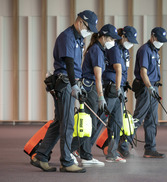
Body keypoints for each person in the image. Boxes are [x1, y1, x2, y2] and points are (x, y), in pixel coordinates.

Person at [30, 10, 98, 173]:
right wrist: (74, 85)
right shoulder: (67, 36)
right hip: (65, 82)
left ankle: (41, 156)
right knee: (68, 122)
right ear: (80, 22)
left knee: (60, 121)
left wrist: (78, 83)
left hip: (70, 81)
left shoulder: (79, 38)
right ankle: (66, 161)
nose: (89, 32)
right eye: (88, 28)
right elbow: (68, 63)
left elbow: (75, 64)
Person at [70, 24, 123, 166]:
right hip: (91, 88)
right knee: (89, 124)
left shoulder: (98, 49)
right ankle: (72, 150)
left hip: (91, 88)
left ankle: (85, 155)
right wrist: (101, 96)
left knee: (90, 124)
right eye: (111, 38)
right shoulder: (97, 51)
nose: (113, 41)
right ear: (104, 37)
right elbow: (98, 77)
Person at [129, 27, 167, 158]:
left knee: (152, 120)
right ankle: (122, 146)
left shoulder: (155, 51)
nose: (161, 42)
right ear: (152, 37)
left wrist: (154, 88)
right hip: (146, 88)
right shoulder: (145, 50)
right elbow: (143, 72)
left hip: (153, 88)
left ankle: (150, 149)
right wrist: (149, 87)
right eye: (159, 39)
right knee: (138, 118)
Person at [103, 26, 138, 159]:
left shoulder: (125, 51)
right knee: (98, 120)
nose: (131, 43)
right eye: (129, 40)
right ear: (123, 37)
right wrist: (118, 89)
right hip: (111, 88)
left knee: (117, 122)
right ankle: (79, 150)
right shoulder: (114, 49)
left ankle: (112, 153)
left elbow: (123, 71)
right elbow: (116, 70)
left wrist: (124, 85)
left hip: (119, 90)